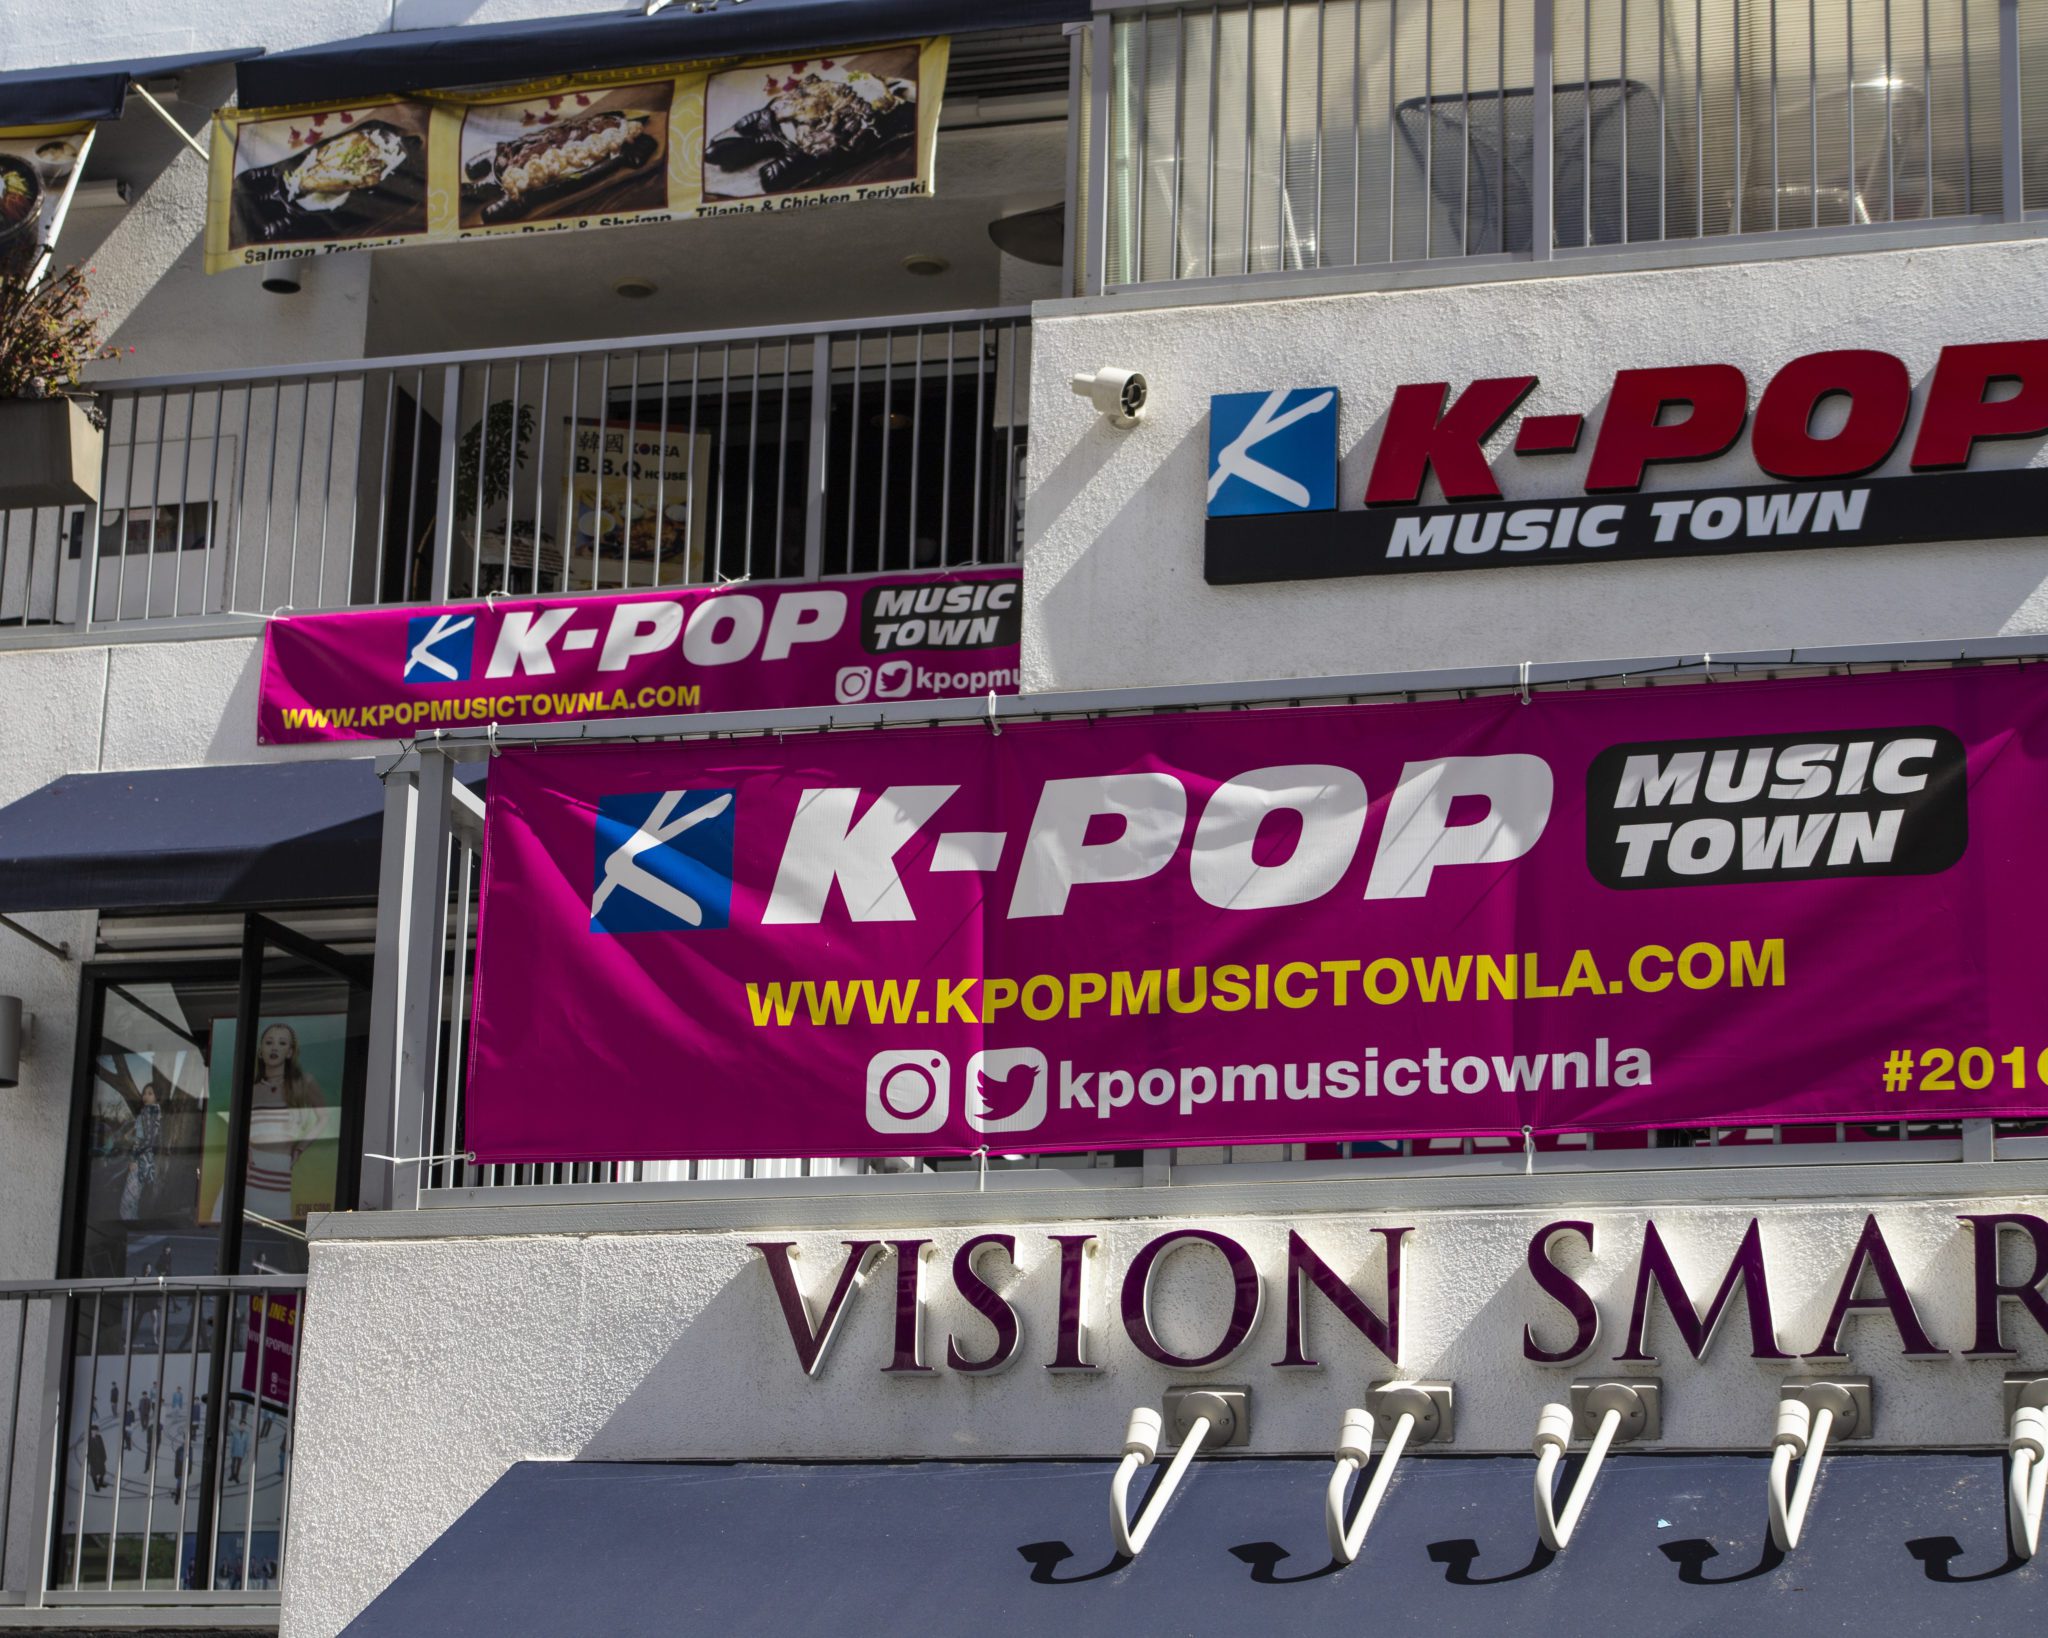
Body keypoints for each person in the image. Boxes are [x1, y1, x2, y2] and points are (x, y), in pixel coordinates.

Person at [244, 1024, 329, 1225]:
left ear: (290, 1052)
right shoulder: (251, 1089)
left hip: (280, 1170)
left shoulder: (303, 1083)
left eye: (282, 1043)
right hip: (251, 1173)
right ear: (260, 1051)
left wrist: (300, 1148)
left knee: (278, 1227)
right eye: (269, 1042)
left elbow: (324, 1117)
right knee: (248, 1228)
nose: (274, 1047)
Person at [87, 1423, 107, 1492]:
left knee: (102, 1472)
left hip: (100, 1458)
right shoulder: (88, 1439)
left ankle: (101, 1483)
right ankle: (96, 1485)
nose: (96, 1432)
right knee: (94, 1474)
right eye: (95, 1430)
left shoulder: (99, 1437)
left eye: (96, 1430)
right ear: (91, 1431)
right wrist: (90, 1460)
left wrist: (104, 1456)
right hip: (93, 1459)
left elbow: (102, 1447)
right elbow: (88, 1451)